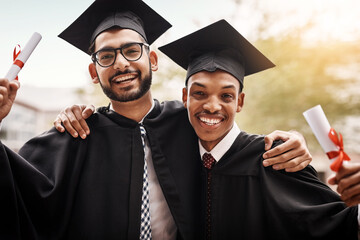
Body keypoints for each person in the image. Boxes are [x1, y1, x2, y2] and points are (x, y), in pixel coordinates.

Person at [0, 0, 309, 239]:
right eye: (106, 57)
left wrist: (292, 142)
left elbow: (234, 143)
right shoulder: (75, 137)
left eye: (132, 51)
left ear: (153, 60)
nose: (121, 63)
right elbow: (18, 194)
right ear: (94, 73)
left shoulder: (189, 122)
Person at [158, 19, 359, 239]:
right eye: (200, 93)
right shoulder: (175, 155)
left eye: (226, 96)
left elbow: (340, 223)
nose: (212, 106)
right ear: (185, 97)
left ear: (240, 102)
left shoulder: (275, 158)